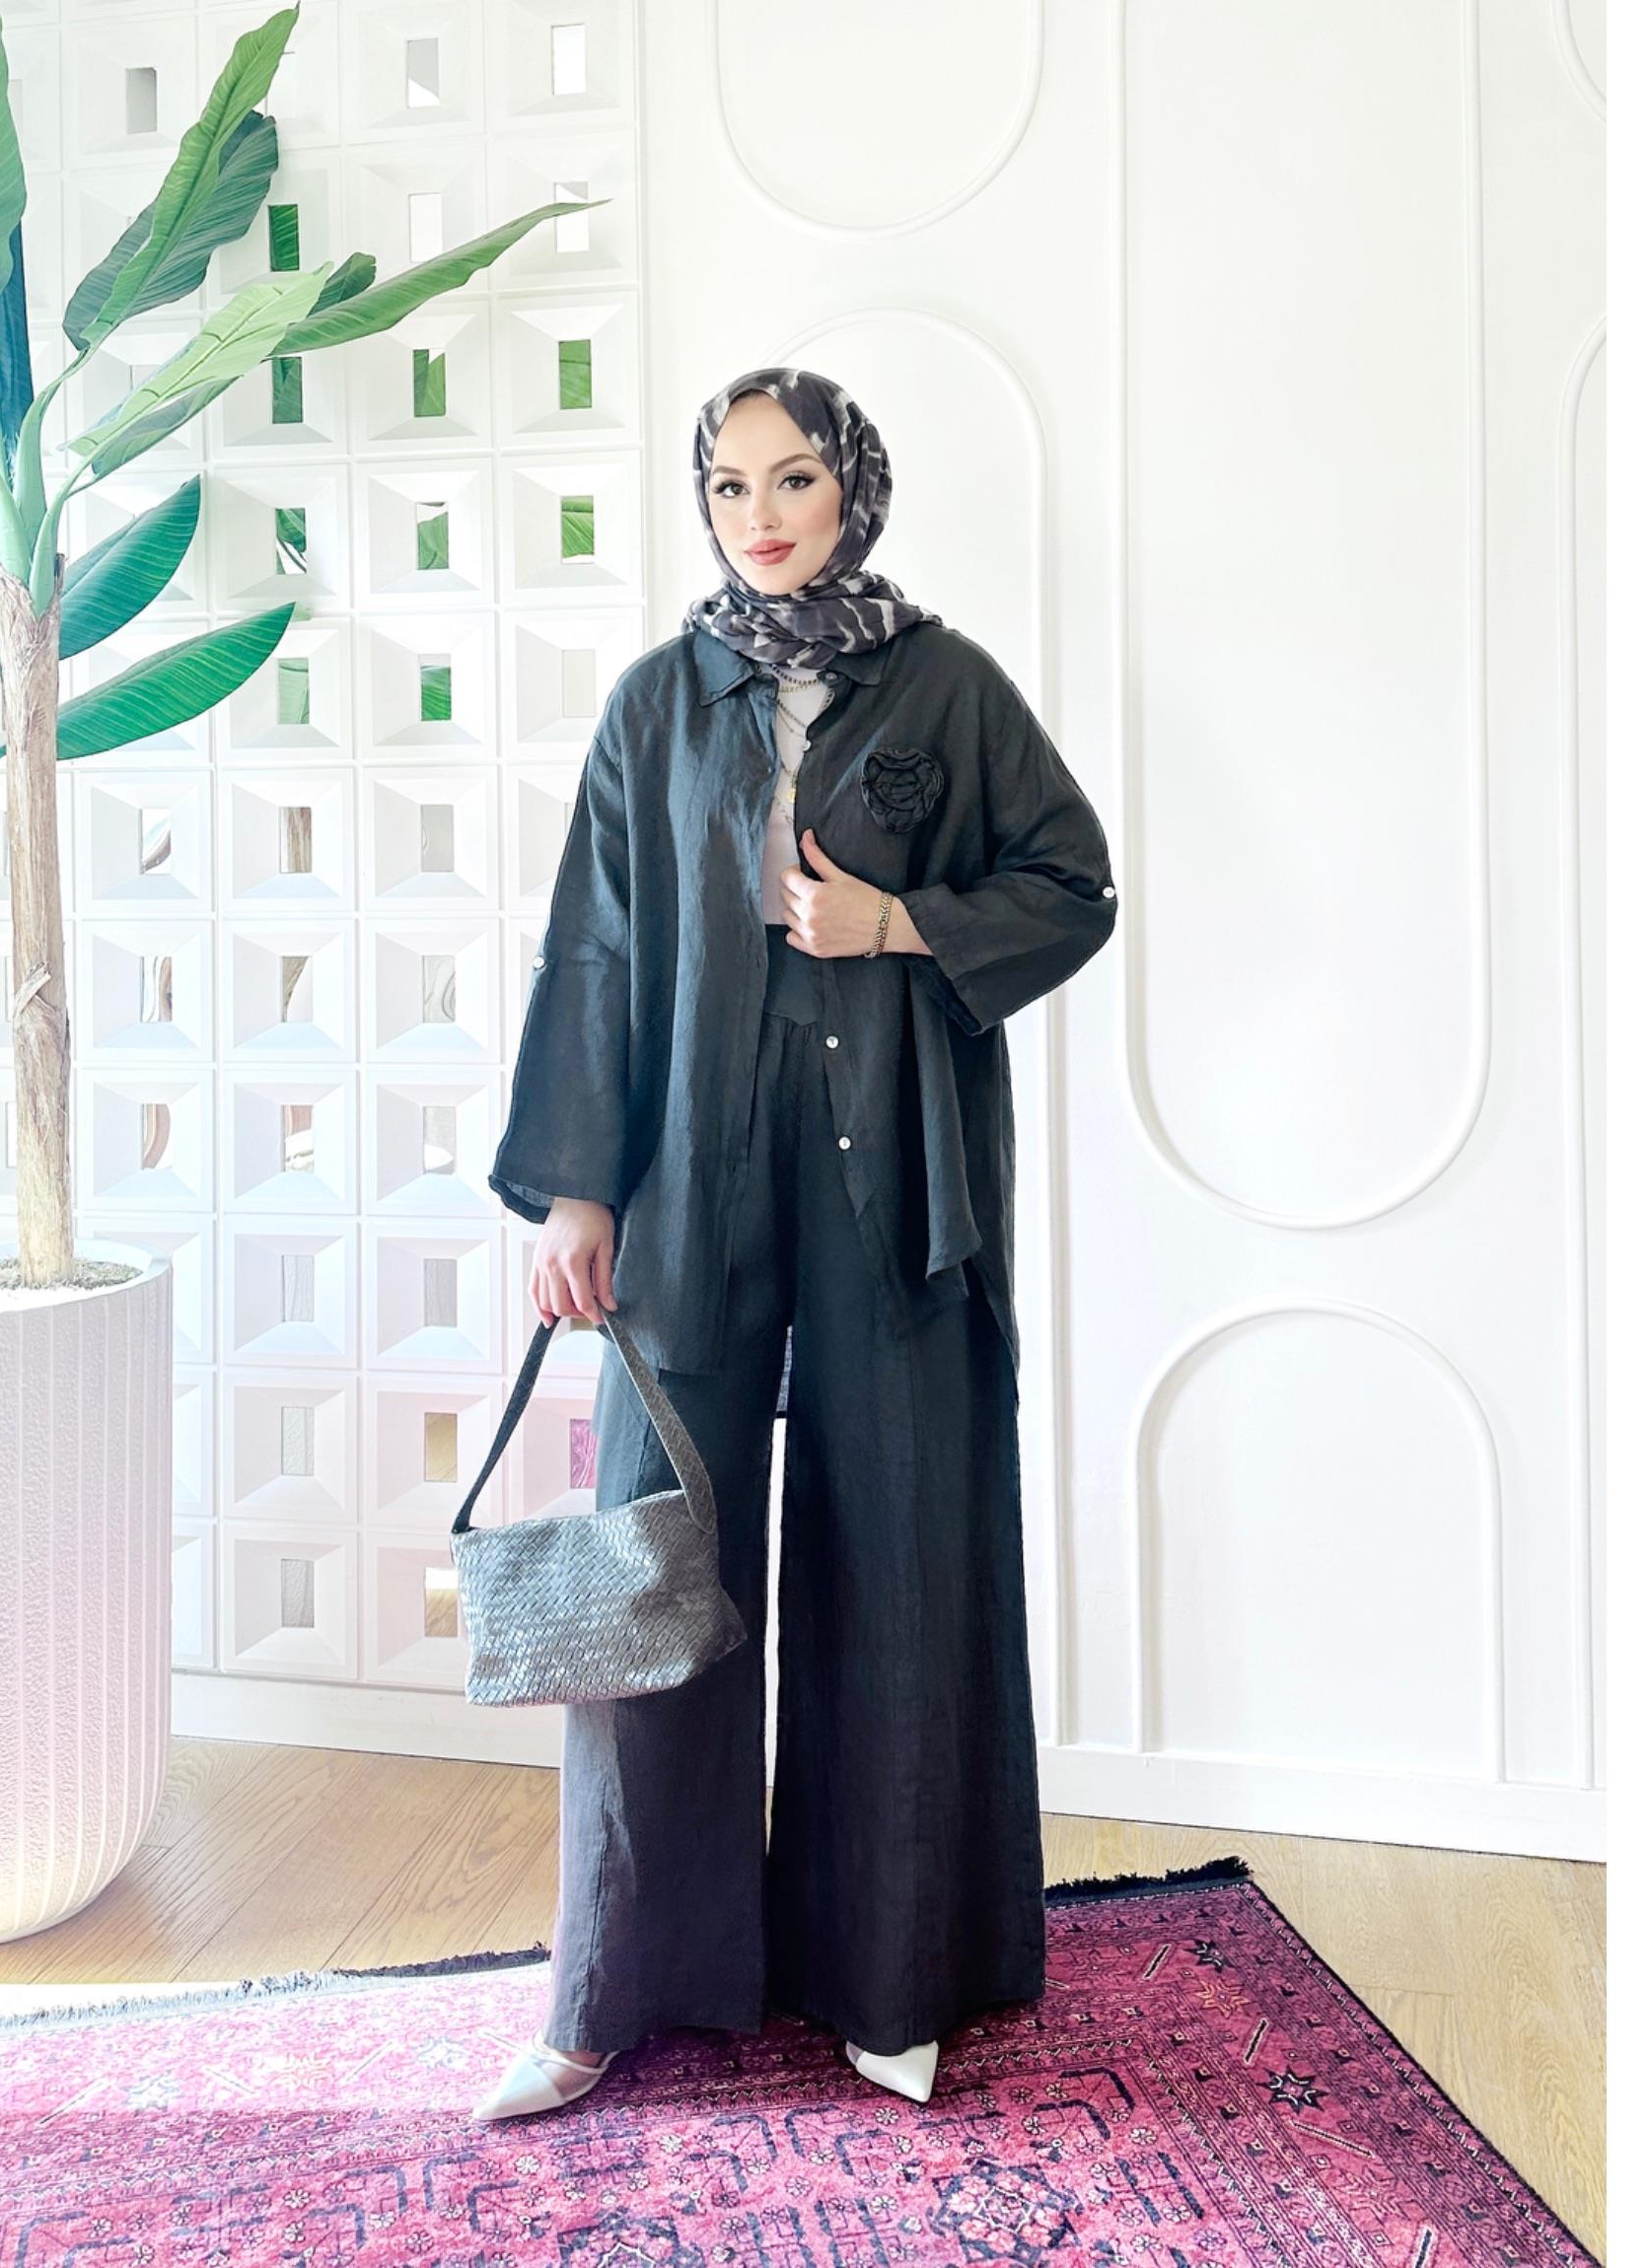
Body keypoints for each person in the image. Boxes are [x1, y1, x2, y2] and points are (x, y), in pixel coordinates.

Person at [471, 367, 1118, 2120]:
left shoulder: (946, 685)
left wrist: (901, 923)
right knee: (653, 1559)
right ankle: (613, 1989)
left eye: (794, 478)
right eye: (729, 484)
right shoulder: (659, 700)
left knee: (895, 1552)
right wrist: (578, 1192)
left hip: (888, 1178)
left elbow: (1073, 885)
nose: (759, 514)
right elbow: (596, 944)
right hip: (687, 1175)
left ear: (855, 491)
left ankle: (888, 1975)